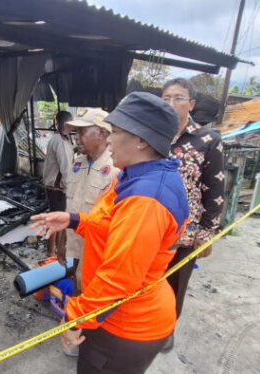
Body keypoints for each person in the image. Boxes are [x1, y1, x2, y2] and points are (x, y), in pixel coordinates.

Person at [31, 92, 189, 374]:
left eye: (115, 133)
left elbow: (118, 280)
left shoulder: (146, 199)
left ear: (141, 141)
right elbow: (113, 227)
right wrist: (74, 219)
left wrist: (75, 317)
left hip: (125, 324)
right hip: (121, 316)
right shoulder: (139, 175)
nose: (109, 140)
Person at [162, 78, 225, 351]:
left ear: (191, 104)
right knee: (149, 281)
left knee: (175, 283)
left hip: (185, 232)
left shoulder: (208, 139)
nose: (171, 103)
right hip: (152, 225)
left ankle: (167, 329)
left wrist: (207, 234)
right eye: (165, 98)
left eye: (178, 98)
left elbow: (216, 190)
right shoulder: (152, 135)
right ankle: (146, 323)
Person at [63, 108, 119, 289]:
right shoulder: (78, 162)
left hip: (97, 251)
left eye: (81, 131)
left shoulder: (116, 167)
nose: (76, 137)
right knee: (76, 287)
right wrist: (62, 244)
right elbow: (69, 205)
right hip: (74, 246)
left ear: (102, 133)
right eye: (75, 132)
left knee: (92, 292)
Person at [42, 111, 74, 257]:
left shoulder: (63, 139)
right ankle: (51, 253)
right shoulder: (60, 141)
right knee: (56, 220)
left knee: (58, 219)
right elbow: (65, 167)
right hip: (57, 187)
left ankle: (57, 250)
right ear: (65, 125)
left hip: (57, 186)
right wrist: (71, 188)